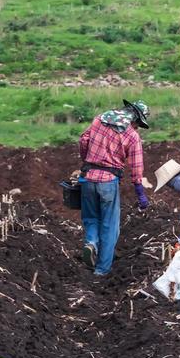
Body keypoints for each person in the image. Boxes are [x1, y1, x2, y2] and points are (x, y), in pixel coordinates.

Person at [74, 99, 151, 278]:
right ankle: (102, 270)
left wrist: (88, 161)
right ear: (134, 119)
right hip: (108, 182)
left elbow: (83, 140)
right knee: (110, 225)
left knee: (91, 218)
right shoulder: (131, 135)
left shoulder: (99, 119)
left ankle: (91, 242)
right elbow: (136, 167)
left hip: (87, 177)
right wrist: (140, 192)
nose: (137, 127)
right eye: (138, 124)